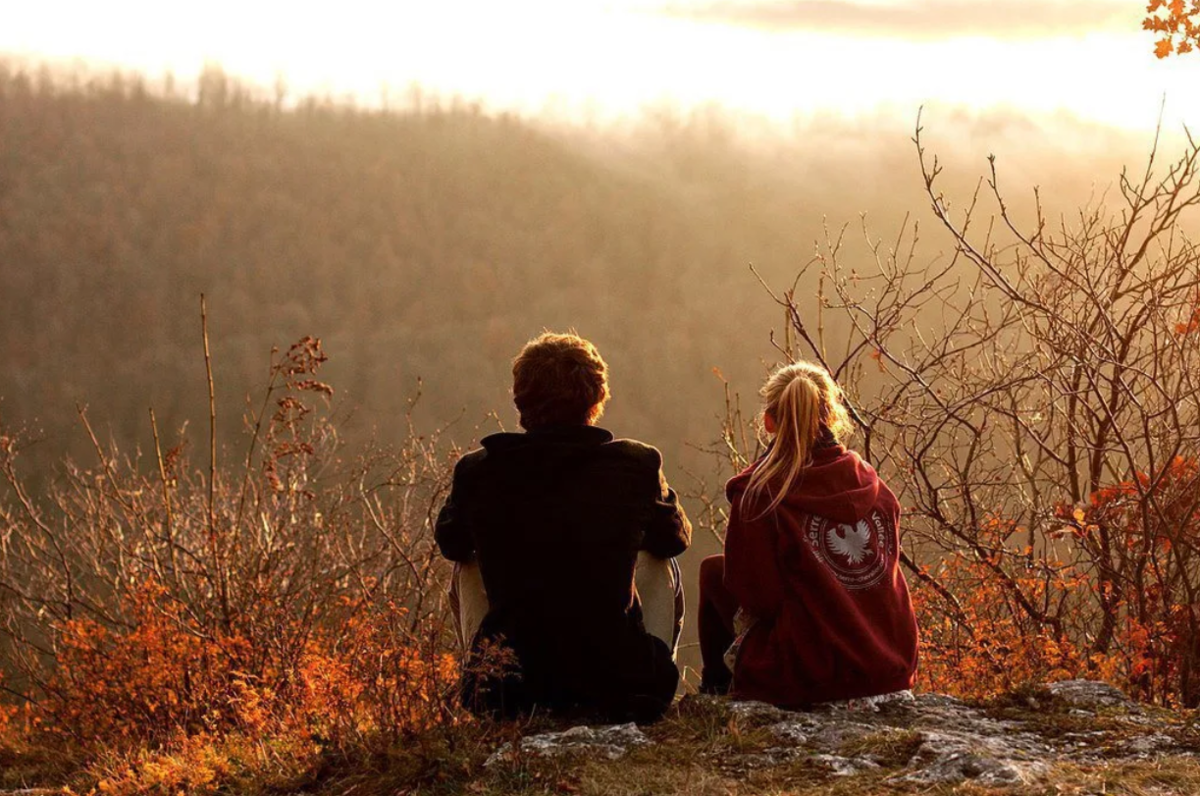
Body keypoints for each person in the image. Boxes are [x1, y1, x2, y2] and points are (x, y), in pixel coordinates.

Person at [436, 331, 691, 723]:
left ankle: (487, 671)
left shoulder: (479, 471)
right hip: (619, 689)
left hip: (511, 695)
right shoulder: (636, 465)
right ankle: (651, 689)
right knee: (659, 559)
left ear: (521, 404)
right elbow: (675, 540)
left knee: (466, 562)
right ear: (596, 399)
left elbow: (450, 543)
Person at [697, 361, 918, 707]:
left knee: (712, 572)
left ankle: (715, 695)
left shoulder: (761, 493)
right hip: (890, 666)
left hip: (814, 674)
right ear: (831, 417)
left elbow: (761, 600)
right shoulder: (872, 484)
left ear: (769, 421)